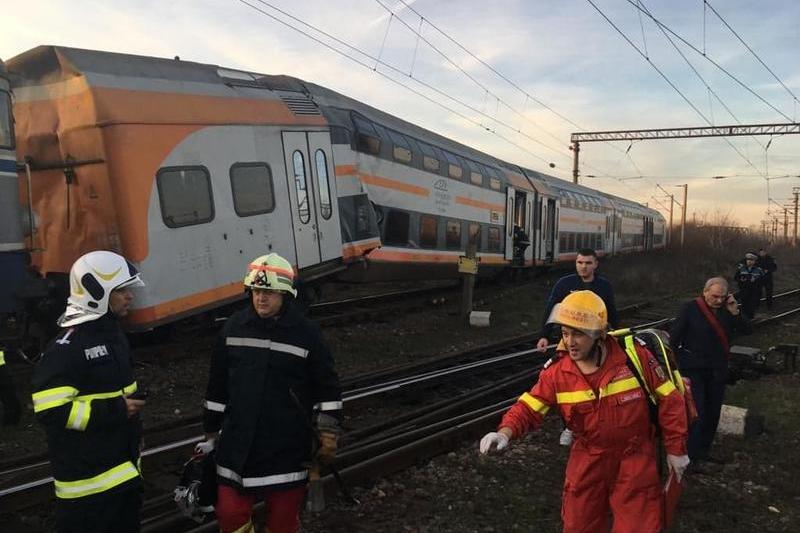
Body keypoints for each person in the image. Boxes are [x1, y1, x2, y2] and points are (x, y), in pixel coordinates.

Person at [480, 291, 688, 533]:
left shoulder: (634, 358)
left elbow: (670, 400)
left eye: (578, 333)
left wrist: (676, 449)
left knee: (638, 526)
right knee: (579, 525)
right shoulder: (557, 374)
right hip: (588, 460)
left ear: (599, 334)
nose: (570, 342)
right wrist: (504, 433)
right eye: (565, 333)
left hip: (635, 458)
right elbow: (529, 406)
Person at [198, 253, 342, 533]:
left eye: (269, 292)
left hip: (286, 448)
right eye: (256, 291)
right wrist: (211, 431)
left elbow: (327, 386)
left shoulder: (306, 334)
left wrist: (328, 431)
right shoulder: (233, 328)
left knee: (282, 522)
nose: (261, 298)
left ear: (285, 295)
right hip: (238, 447)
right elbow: (217, 387)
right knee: (229, 513)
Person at [31, 251, 146, 533]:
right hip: (88, 491)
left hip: (122, 474)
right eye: (121, 290)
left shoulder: (112, 335)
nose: (129, 296)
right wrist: (117, 410)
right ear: (97, 293)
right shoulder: (66, 349)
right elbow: (50, 410)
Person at [670, 277, 749, 467]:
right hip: (693, 369)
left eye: (722, 297)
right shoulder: (690, 309)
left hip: (717, 370)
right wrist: (679, 364)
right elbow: (674, 339)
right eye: (715, 296)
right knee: (698, 412)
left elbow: (747, 329)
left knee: (713, 412)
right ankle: (692, 455)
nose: (718, 300)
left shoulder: (727, 311)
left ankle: (704, 450)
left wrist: (735, 312)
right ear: (705, 292)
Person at [536, 248, 619, 352]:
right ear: (575, 263)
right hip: (569, 340)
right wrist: (544, 336)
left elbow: (611, 312)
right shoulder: (564, 284)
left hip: (595, 339)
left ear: (595, 264)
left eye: (588, 263)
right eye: (580, 262)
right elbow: (552, 309)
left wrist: (616, 333)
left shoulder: (604, 286)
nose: (583, 267)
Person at [734, 253, 764, 319]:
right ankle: (744, 319)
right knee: (744, 305)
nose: (749, 261)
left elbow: (763, 281)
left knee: (751, 306)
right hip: (744, 290)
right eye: (748, 260)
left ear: (754, 261)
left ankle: (750, 319)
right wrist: (741, 280)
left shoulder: (758, 270)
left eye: (751, 260)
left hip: (754, 291)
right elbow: (736, 277)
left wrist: (756, 282)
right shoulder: (741, 269)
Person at [0, 347, 22, 425]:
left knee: (8, 397)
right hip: (4, 374)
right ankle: (12, 419)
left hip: (3, 376)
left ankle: (11, 420)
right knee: (9, 397)